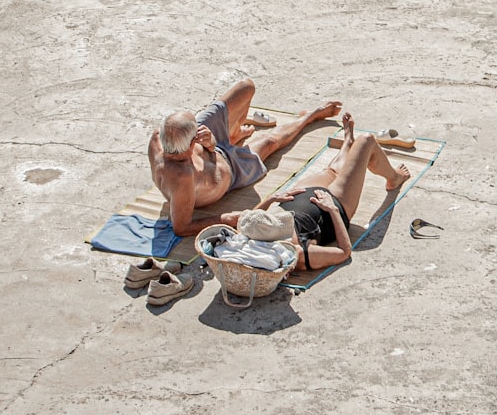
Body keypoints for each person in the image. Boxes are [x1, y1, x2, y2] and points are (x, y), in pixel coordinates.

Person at [147, 77, 341, 237]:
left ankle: (233, 133)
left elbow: (195, 142)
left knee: (245, 87)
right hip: (233, 169)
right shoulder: (182, 177)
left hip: (210, 148)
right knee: (269, 141)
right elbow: (181, 227)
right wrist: (227, 219)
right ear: (192, 142)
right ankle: (310, 117)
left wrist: (210, 143)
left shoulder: (160, 137)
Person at [256, 111, 411, 271]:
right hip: (333, 204)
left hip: (299, 196)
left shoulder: (250, 233)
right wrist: (333, 209)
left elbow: (239, 217)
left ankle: (347, 142)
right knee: (366, 141)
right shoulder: (300, 253)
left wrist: (271, 199)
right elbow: (344, 252)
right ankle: (394, 178)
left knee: (331, 171)